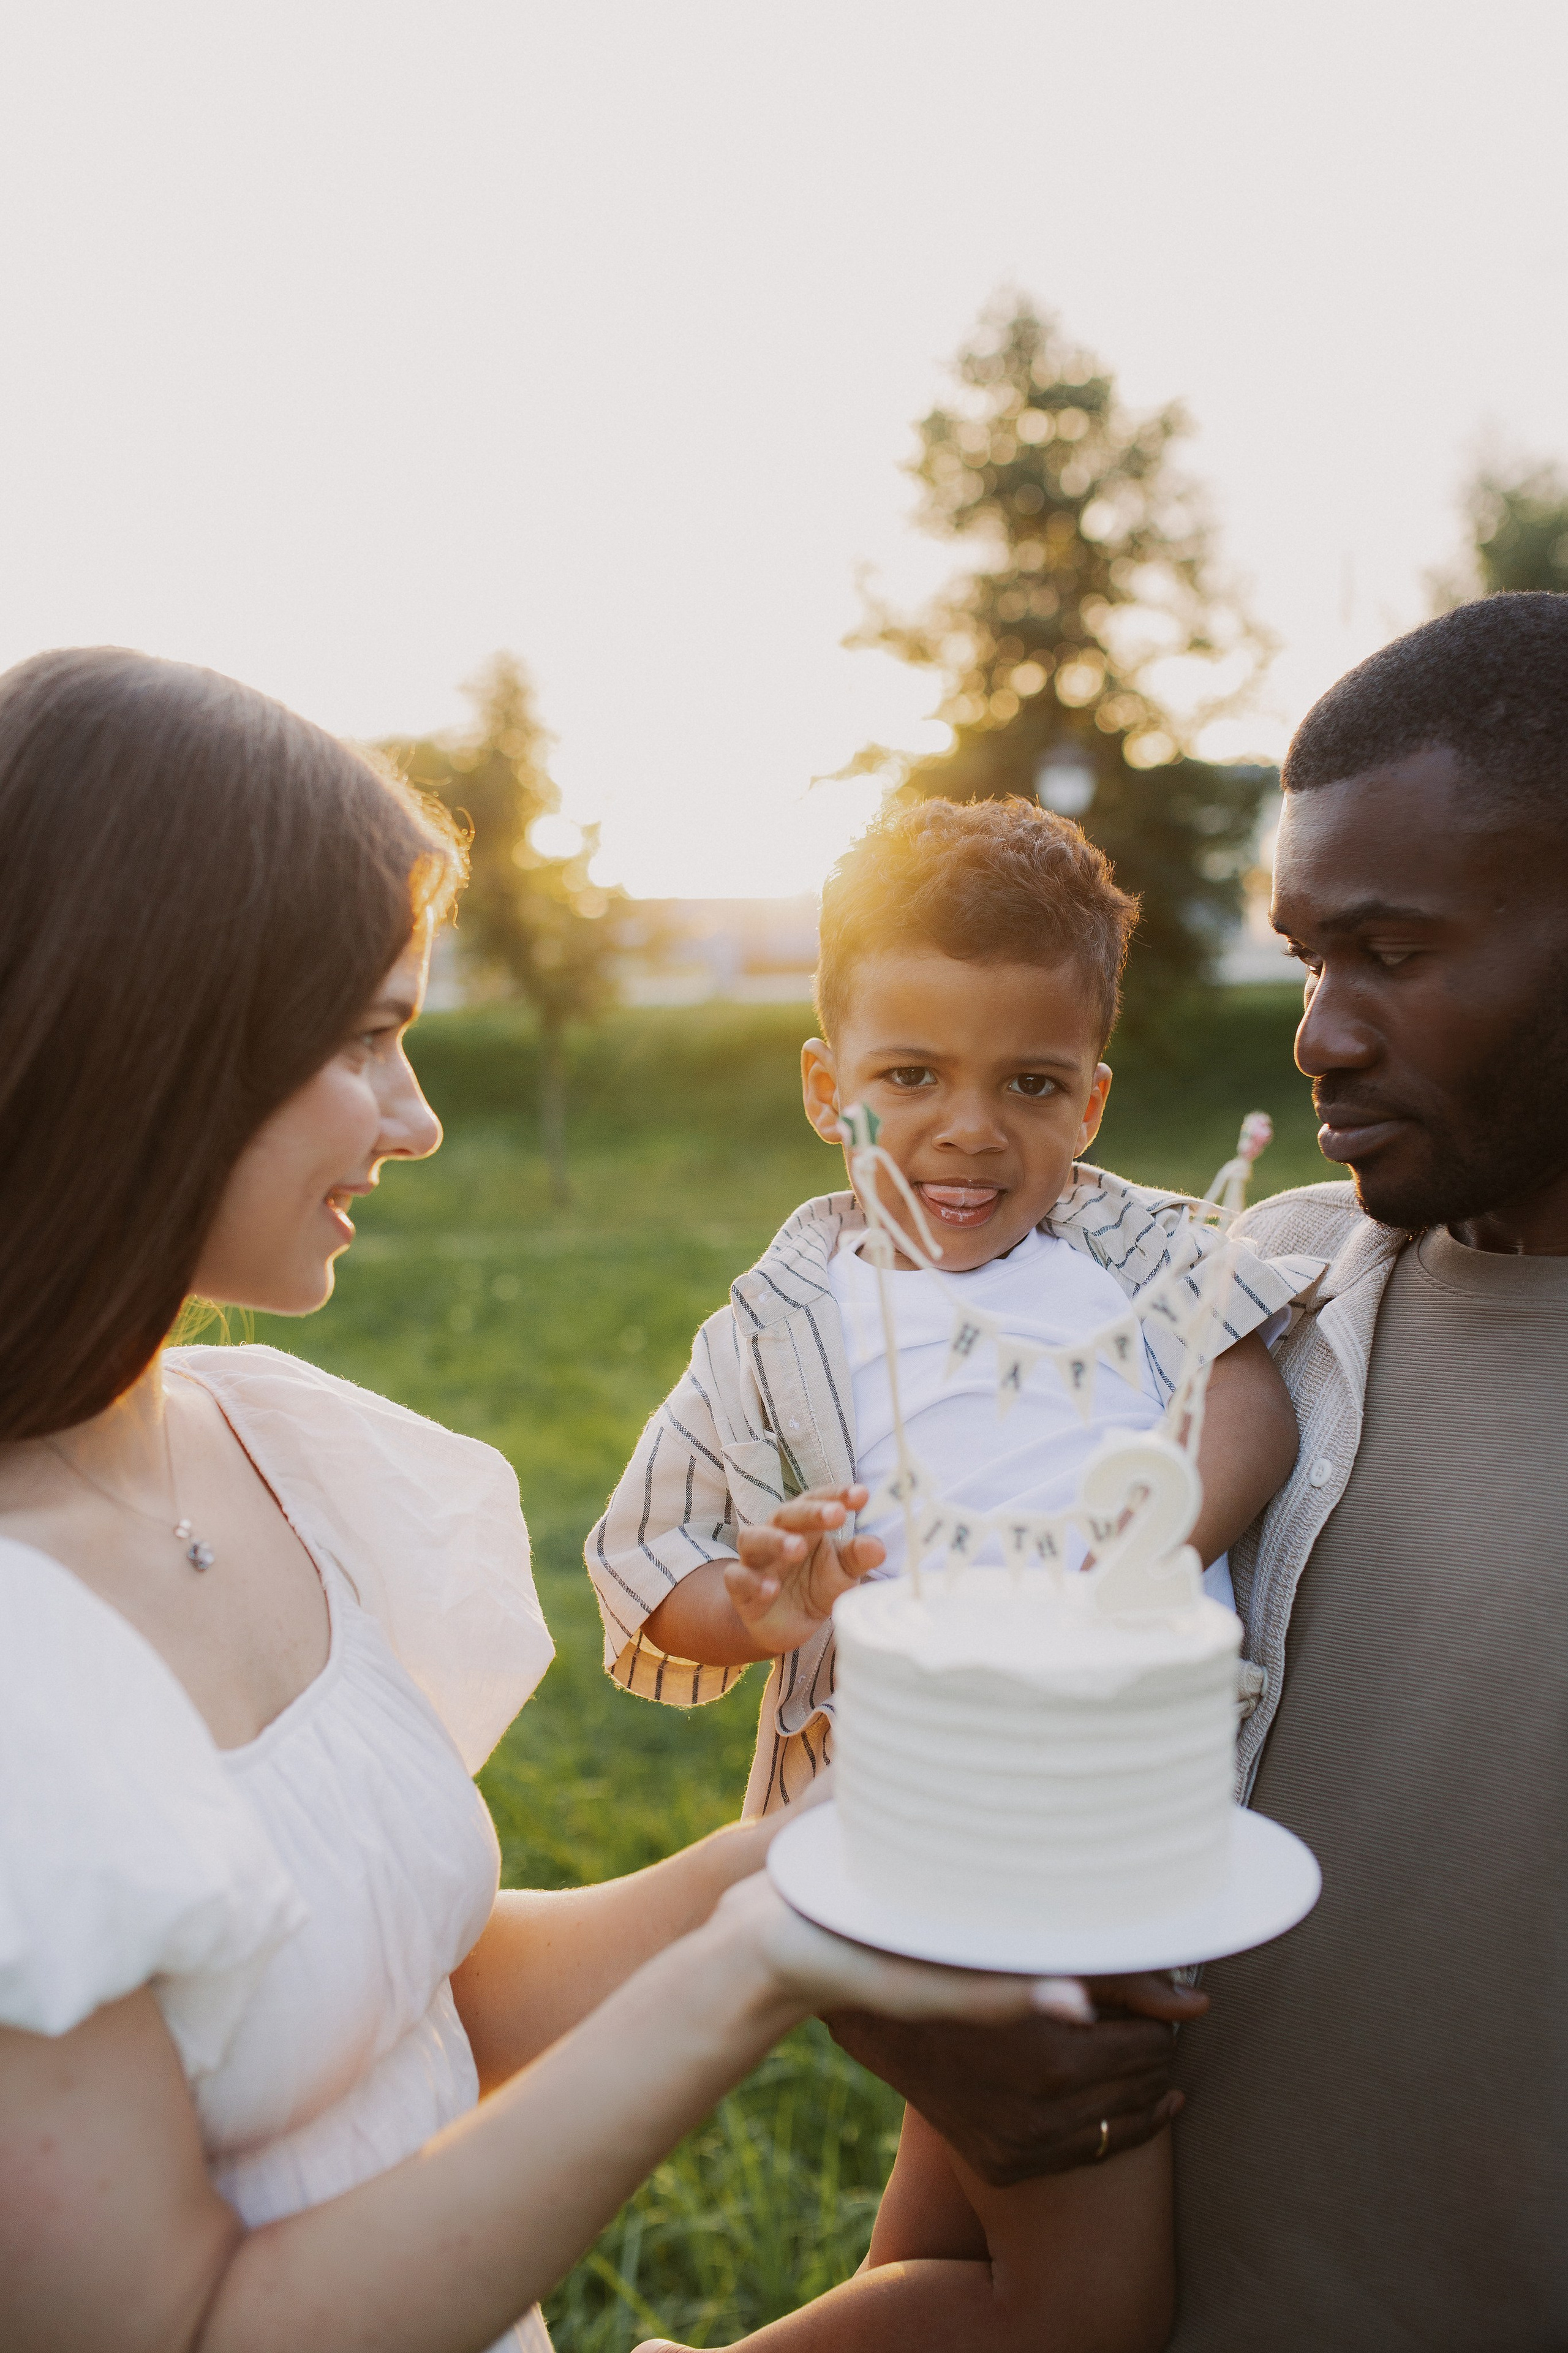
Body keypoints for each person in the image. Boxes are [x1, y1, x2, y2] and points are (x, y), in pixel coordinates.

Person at [0, 648, 1110, 2353]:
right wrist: (753, 1968)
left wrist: (830, 1841)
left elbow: (407, 1993)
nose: (421, 1119)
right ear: (152, 1037)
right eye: (367, 1037)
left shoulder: (265, 1449)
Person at [823, 592, 1568, 2353]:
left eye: (1390, 954)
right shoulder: (1243, 1304)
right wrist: (891, 1991)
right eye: (1307, 958)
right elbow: (954, 1679)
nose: (1317, 1033)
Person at [589, 798, 1316, 2348]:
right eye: (909, 1076)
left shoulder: (1128, 1249)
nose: (968, 1130)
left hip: (1128, 1792)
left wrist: (1149, 1537)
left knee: (954, 2232)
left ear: (1091, 1101)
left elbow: (1245, 1384)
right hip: (958, 1823)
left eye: (1028, 1083)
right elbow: (650, 1563)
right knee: (1083, 2313)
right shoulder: (783, 1324)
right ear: (825, 1088)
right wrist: (761, 1602)